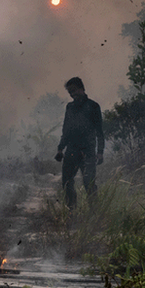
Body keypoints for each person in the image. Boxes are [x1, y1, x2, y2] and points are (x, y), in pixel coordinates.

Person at [54, 77, 104, 209]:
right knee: (67, 183)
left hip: (88, 151)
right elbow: (66, 130)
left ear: (82, 88)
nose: (72, 94)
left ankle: (94, 215)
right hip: (71, 151)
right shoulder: (70, 107)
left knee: (89, 184)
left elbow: (99, 132)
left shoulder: (93, 106)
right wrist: (60, 149)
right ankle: (72, 212)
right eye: (70, 92)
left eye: (74, 90)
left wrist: (100, 152)